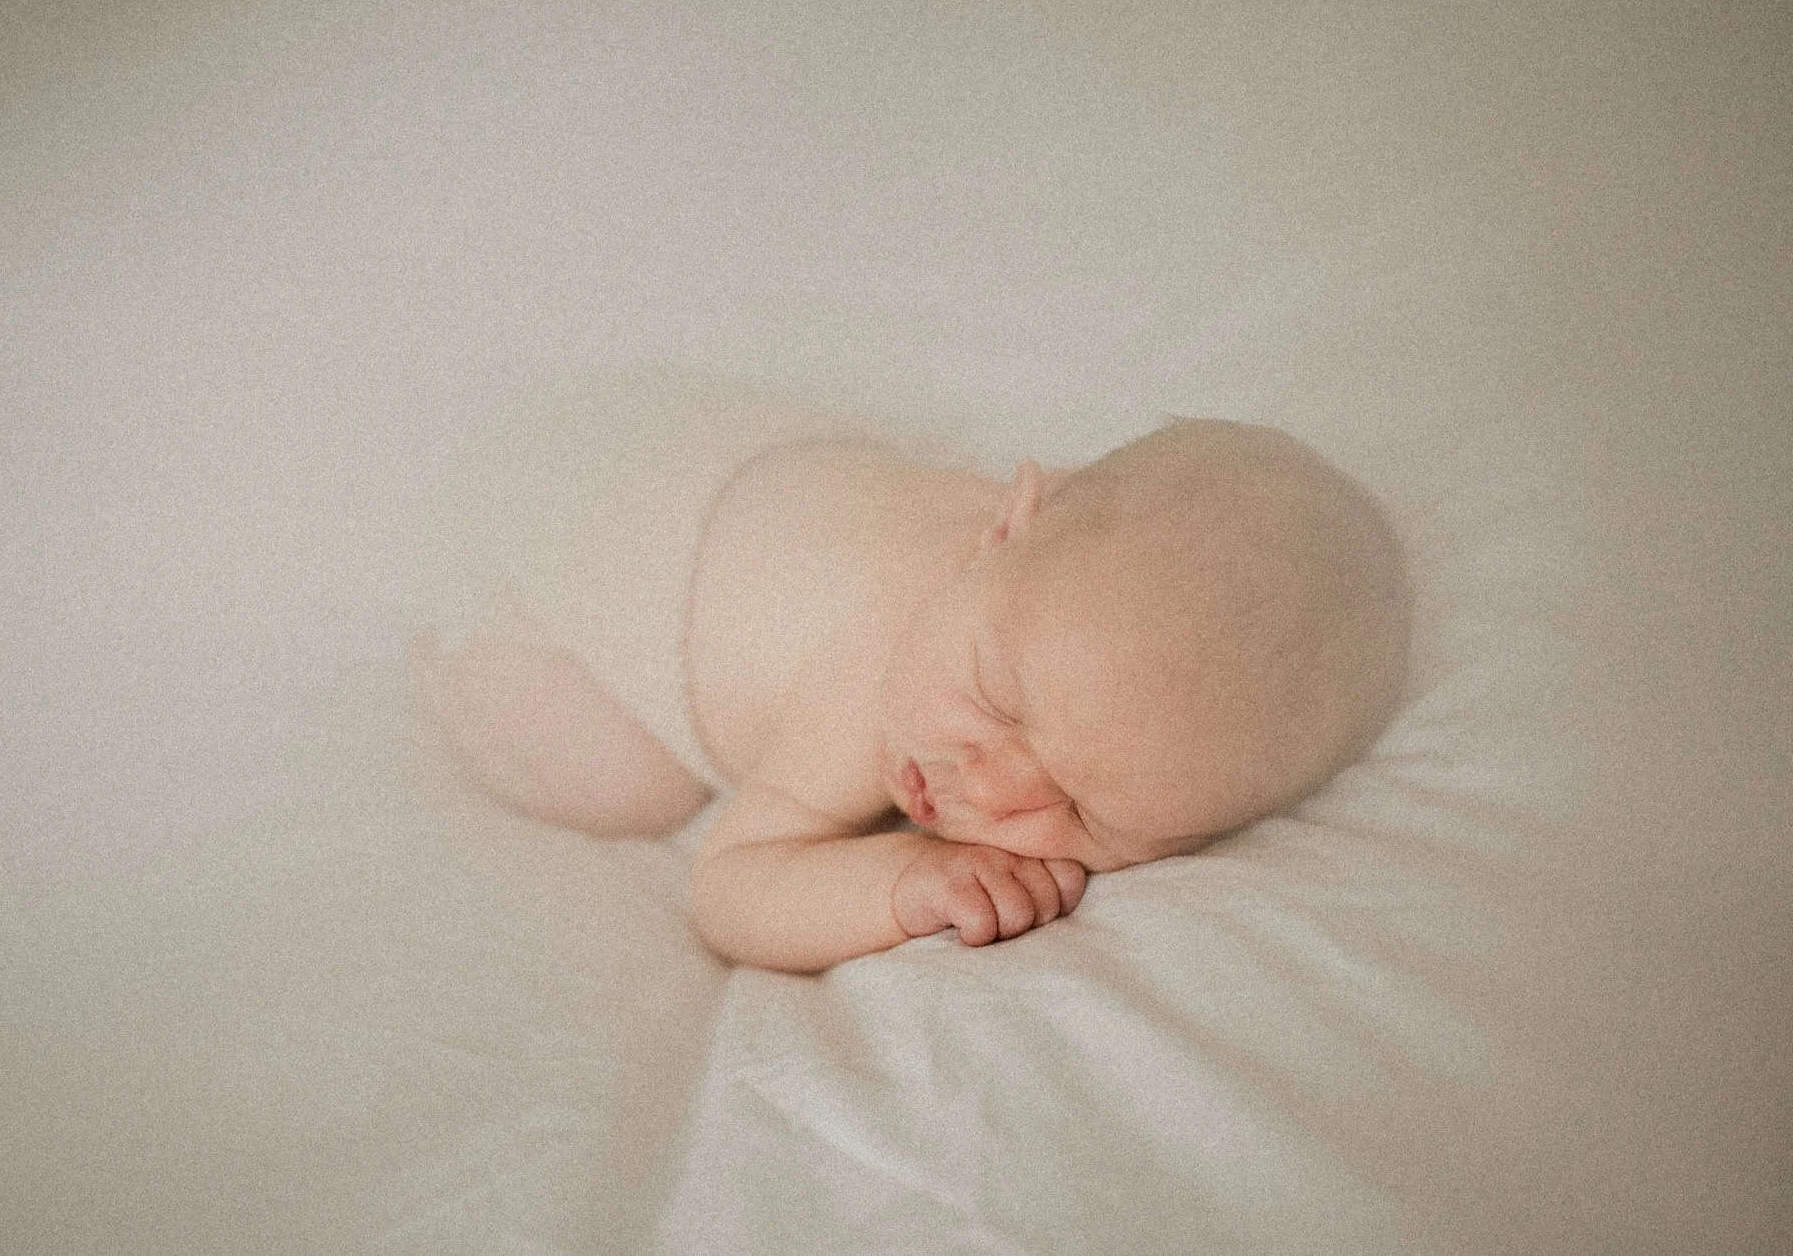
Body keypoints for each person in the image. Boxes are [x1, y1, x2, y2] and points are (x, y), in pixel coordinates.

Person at [412, 398, 1408, 974]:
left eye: (1085, 810)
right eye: (999, 693)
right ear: (1009, 524)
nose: (993, 787)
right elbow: (727, 887)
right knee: (621, 786)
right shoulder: (874, 674)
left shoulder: (1055, 577)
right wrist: (898, 883)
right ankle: (446, 652)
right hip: (614, 565)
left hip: (754, 455)